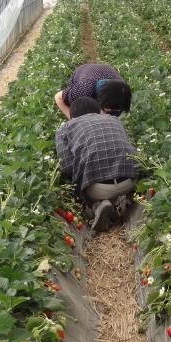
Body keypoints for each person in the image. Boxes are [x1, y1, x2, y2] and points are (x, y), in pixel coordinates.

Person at [55, 97, 138, 231]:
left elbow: (67, 167)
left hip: (97, 189)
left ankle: (96, 207)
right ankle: (120, 202)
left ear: (71, 115)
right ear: (99, 110)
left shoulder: (65, 129)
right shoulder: (113, 119)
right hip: (129, 181)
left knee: (79, 180)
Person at [54, 63, 132, 119]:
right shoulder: (83, 90)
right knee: (80, 112)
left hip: (106, 73)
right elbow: (58, 98)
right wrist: (73, 121)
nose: (111, 111)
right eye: (109, 109)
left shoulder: (123, 92)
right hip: (83, 71)